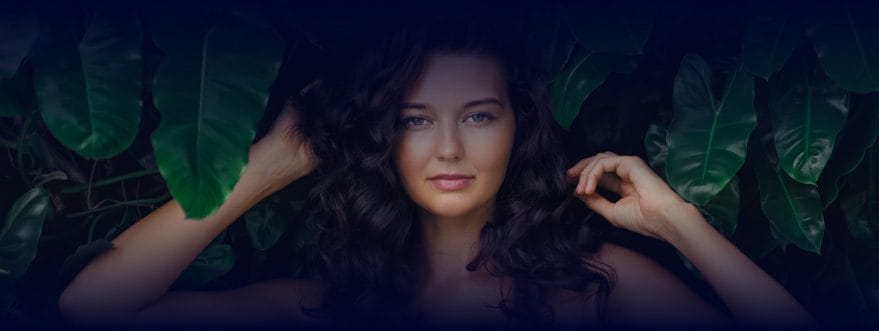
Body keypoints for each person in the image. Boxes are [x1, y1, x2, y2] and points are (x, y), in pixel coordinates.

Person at [58, 14, 818, 330]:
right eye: (416, 118)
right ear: (383, 134)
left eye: (479, 114)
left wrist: (674, 221)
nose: (447, 147)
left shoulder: (594, 285)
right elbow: (87, 311)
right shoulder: (320, 301)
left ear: (518, 128)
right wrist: (262, 169)